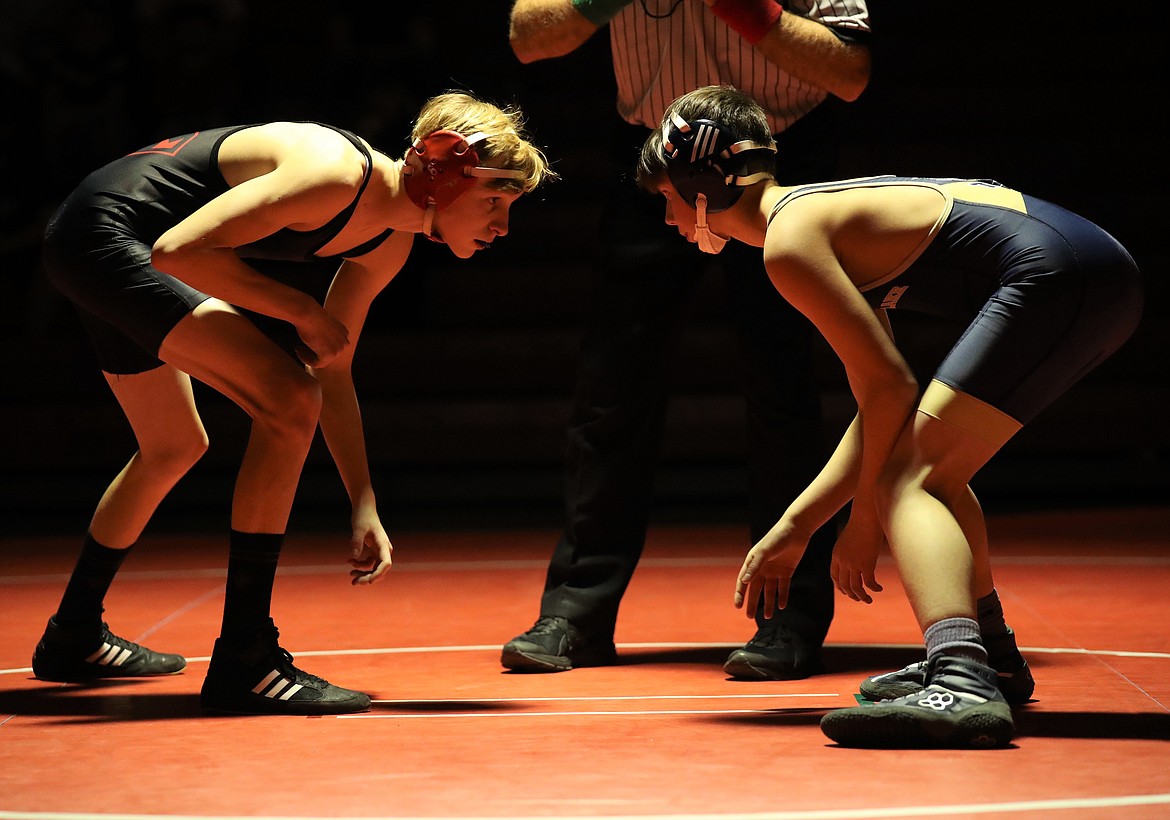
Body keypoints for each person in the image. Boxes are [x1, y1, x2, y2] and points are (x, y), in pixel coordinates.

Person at [636, 84, 1142, 747]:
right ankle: (990, 657)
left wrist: (865, 518)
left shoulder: (788, 242)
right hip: (1088, 272)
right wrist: (800, 526)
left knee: (912, 480)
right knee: (932, 468)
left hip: (1058, 276)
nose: (668, 220)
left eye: (666, 200)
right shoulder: (816, 217)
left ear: (699, 186)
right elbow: (884, 397)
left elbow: (889, 392)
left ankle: (961, 680)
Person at [33, 92, 554, 716]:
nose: (501, 227)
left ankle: (73, 634)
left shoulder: (387, 239)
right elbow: (180, 254)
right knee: (284, 400)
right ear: (441, 169)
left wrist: (362, 500)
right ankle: (246, 658)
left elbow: (333, 367)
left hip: (109, 238)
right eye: (494, 202)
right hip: (110, 235)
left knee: (175, 444)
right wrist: (302, 310)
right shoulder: (334, 174)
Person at [502, 0, 871, 679]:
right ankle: (576, 611)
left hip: (775, 164)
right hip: (655, 161)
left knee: (780, 387)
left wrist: (753, 12)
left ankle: (787, 615)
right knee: (611, 390)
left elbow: (849, 71)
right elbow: (527, 37)